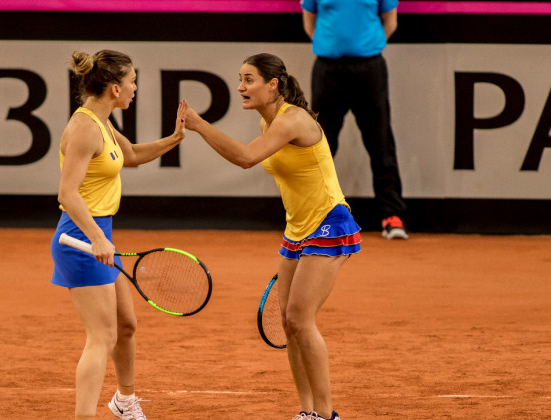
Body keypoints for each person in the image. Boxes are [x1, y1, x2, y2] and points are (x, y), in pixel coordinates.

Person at [182, 53, 360, 420]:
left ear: (273, 84)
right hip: (297, 229)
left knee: (299, 318)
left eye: (248, 80)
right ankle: (308, 412)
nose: (241, 87)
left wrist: (200, 126)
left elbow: (246, 158)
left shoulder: (292, 120)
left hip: (329, 221)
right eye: (240, 79)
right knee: (288, 324)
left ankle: (328, 415)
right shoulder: (269, 125)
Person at [50, 49, 186, 420]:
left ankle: (124, 402)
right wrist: (96, 238)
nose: (134, 88)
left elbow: (132, 156)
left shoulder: (103, 122)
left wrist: (175, 138)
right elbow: (67, 193)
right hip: (80, 239)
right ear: (114, 88)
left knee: (126, 326)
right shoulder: (83, 128)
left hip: (99, 234)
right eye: (132, 81)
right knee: (102, 337)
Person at [301, 0, 409, 239]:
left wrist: (366, 46)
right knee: (318, 145)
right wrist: (331, 46)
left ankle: (391, 216)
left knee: (380, 142)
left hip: (369, 68)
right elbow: (309, 23)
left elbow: (390, 23)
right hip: (327, 70)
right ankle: (311, 217)